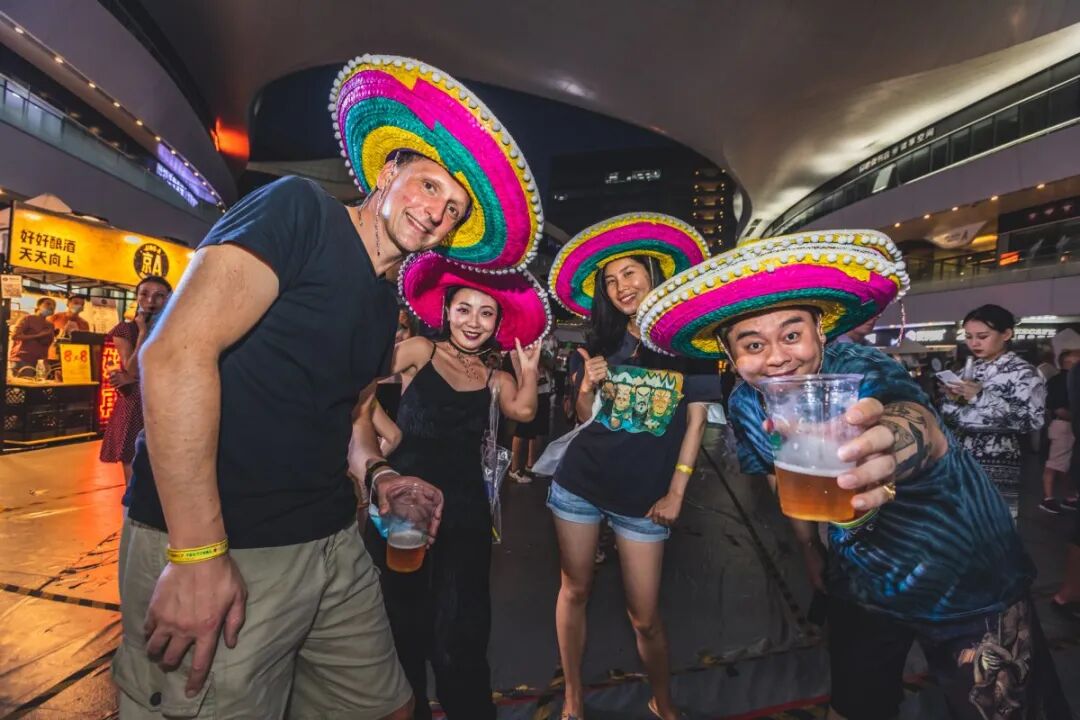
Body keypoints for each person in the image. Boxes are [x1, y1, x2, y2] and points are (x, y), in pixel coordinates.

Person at [113, 54, 542, 719]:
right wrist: (197, 552)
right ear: (389, 172)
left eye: (454, 209)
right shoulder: (300, 210)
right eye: (430, 185)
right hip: (229, 543)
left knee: (390, 707)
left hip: (331, 541)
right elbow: (174, 354)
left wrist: (378, 475)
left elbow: (350, 416)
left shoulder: (381, 301)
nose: (437, 212)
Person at [639, 229, 1070, 720]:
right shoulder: (744, 403)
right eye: (754, 344)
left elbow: (913, 420)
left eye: (792, 335)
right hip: (862, 581)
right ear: (730, 355)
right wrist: (811, 552)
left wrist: (889, 442)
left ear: (820, 332)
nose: (777, 356)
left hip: (967, 573)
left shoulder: (861, 367)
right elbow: (780, 481)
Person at [363, 252, 549, 719]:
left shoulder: (494, 378)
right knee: (400, 622)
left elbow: (524, 410)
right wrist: (388, 434)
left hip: (465, 516)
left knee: (460, 629)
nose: (473, 322)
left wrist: (528, 370)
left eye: (486, 313)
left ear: (497, 323)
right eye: (464, 309)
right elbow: (357, 380)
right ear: (446, 311)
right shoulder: (421, 351)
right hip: (405, 508)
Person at [546, 213, 714, 720]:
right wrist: (586, 385)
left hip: (645, 499)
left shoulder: (690, 343)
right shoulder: (601, 341)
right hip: (579, 483)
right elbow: (583, 419)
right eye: (610, 280)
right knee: (575, 589)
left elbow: (696, 421)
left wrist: (677, 493)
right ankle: (573, 699)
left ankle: (663, 702)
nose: (621, 286)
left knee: (645, 619)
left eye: (629, 272)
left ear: (652, 273)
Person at [941, 305, 1046, 518]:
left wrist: (981, 397)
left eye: (982, 336)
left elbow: (1032, 421)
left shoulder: (1023, 373)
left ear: (1006, 334)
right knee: (958, 522)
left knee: (993, 521)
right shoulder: (967, 370)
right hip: (958, 456)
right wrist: (951, 400)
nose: (974, 343)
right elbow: (950, 418)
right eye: (968, 336)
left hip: (998, 456)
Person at [99, 276, 171, 488]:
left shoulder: (173, 330)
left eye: (159, 296)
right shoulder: (125, 329)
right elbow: (131, 368)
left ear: (169, 299)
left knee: (164, 466)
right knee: (133, 467)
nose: (151, 301)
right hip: (135, 403)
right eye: (144, 294)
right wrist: (142, 333)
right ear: (137, 297)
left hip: (164, 402)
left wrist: (133, 378)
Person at [510, 332, 556, 483]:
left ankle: (531, 465)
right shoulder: (519, 345)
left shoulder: (543, 342)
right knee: (522, 431)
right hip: (527, 393)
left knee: (535, 432)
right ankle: (514, 469)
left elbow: (551, 364)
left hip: (542, 392)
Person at [1039, 349, 1080, 514]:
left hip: (1065, 424)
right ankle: (1048, 498)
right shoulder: (1062, 381)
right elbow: (1057, 408)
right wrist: (1075, 419)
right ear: (1070, 362)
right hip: (1064, 425)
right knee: (1055, 463)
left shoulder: (1060, 380)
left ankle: (1069, 497)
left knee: (1065, 464)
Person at [9, 296, 56, 374]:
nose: (51, 307)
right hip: (22, 359)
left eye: (54, 306)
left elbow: (46, 345)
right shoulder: (28, 318)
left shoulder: (50, 325)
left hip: (40, 362)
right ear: (38, 306)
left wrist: (46, 361)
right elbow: (14, 336)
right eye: (48, 304)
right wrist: (38, 335)